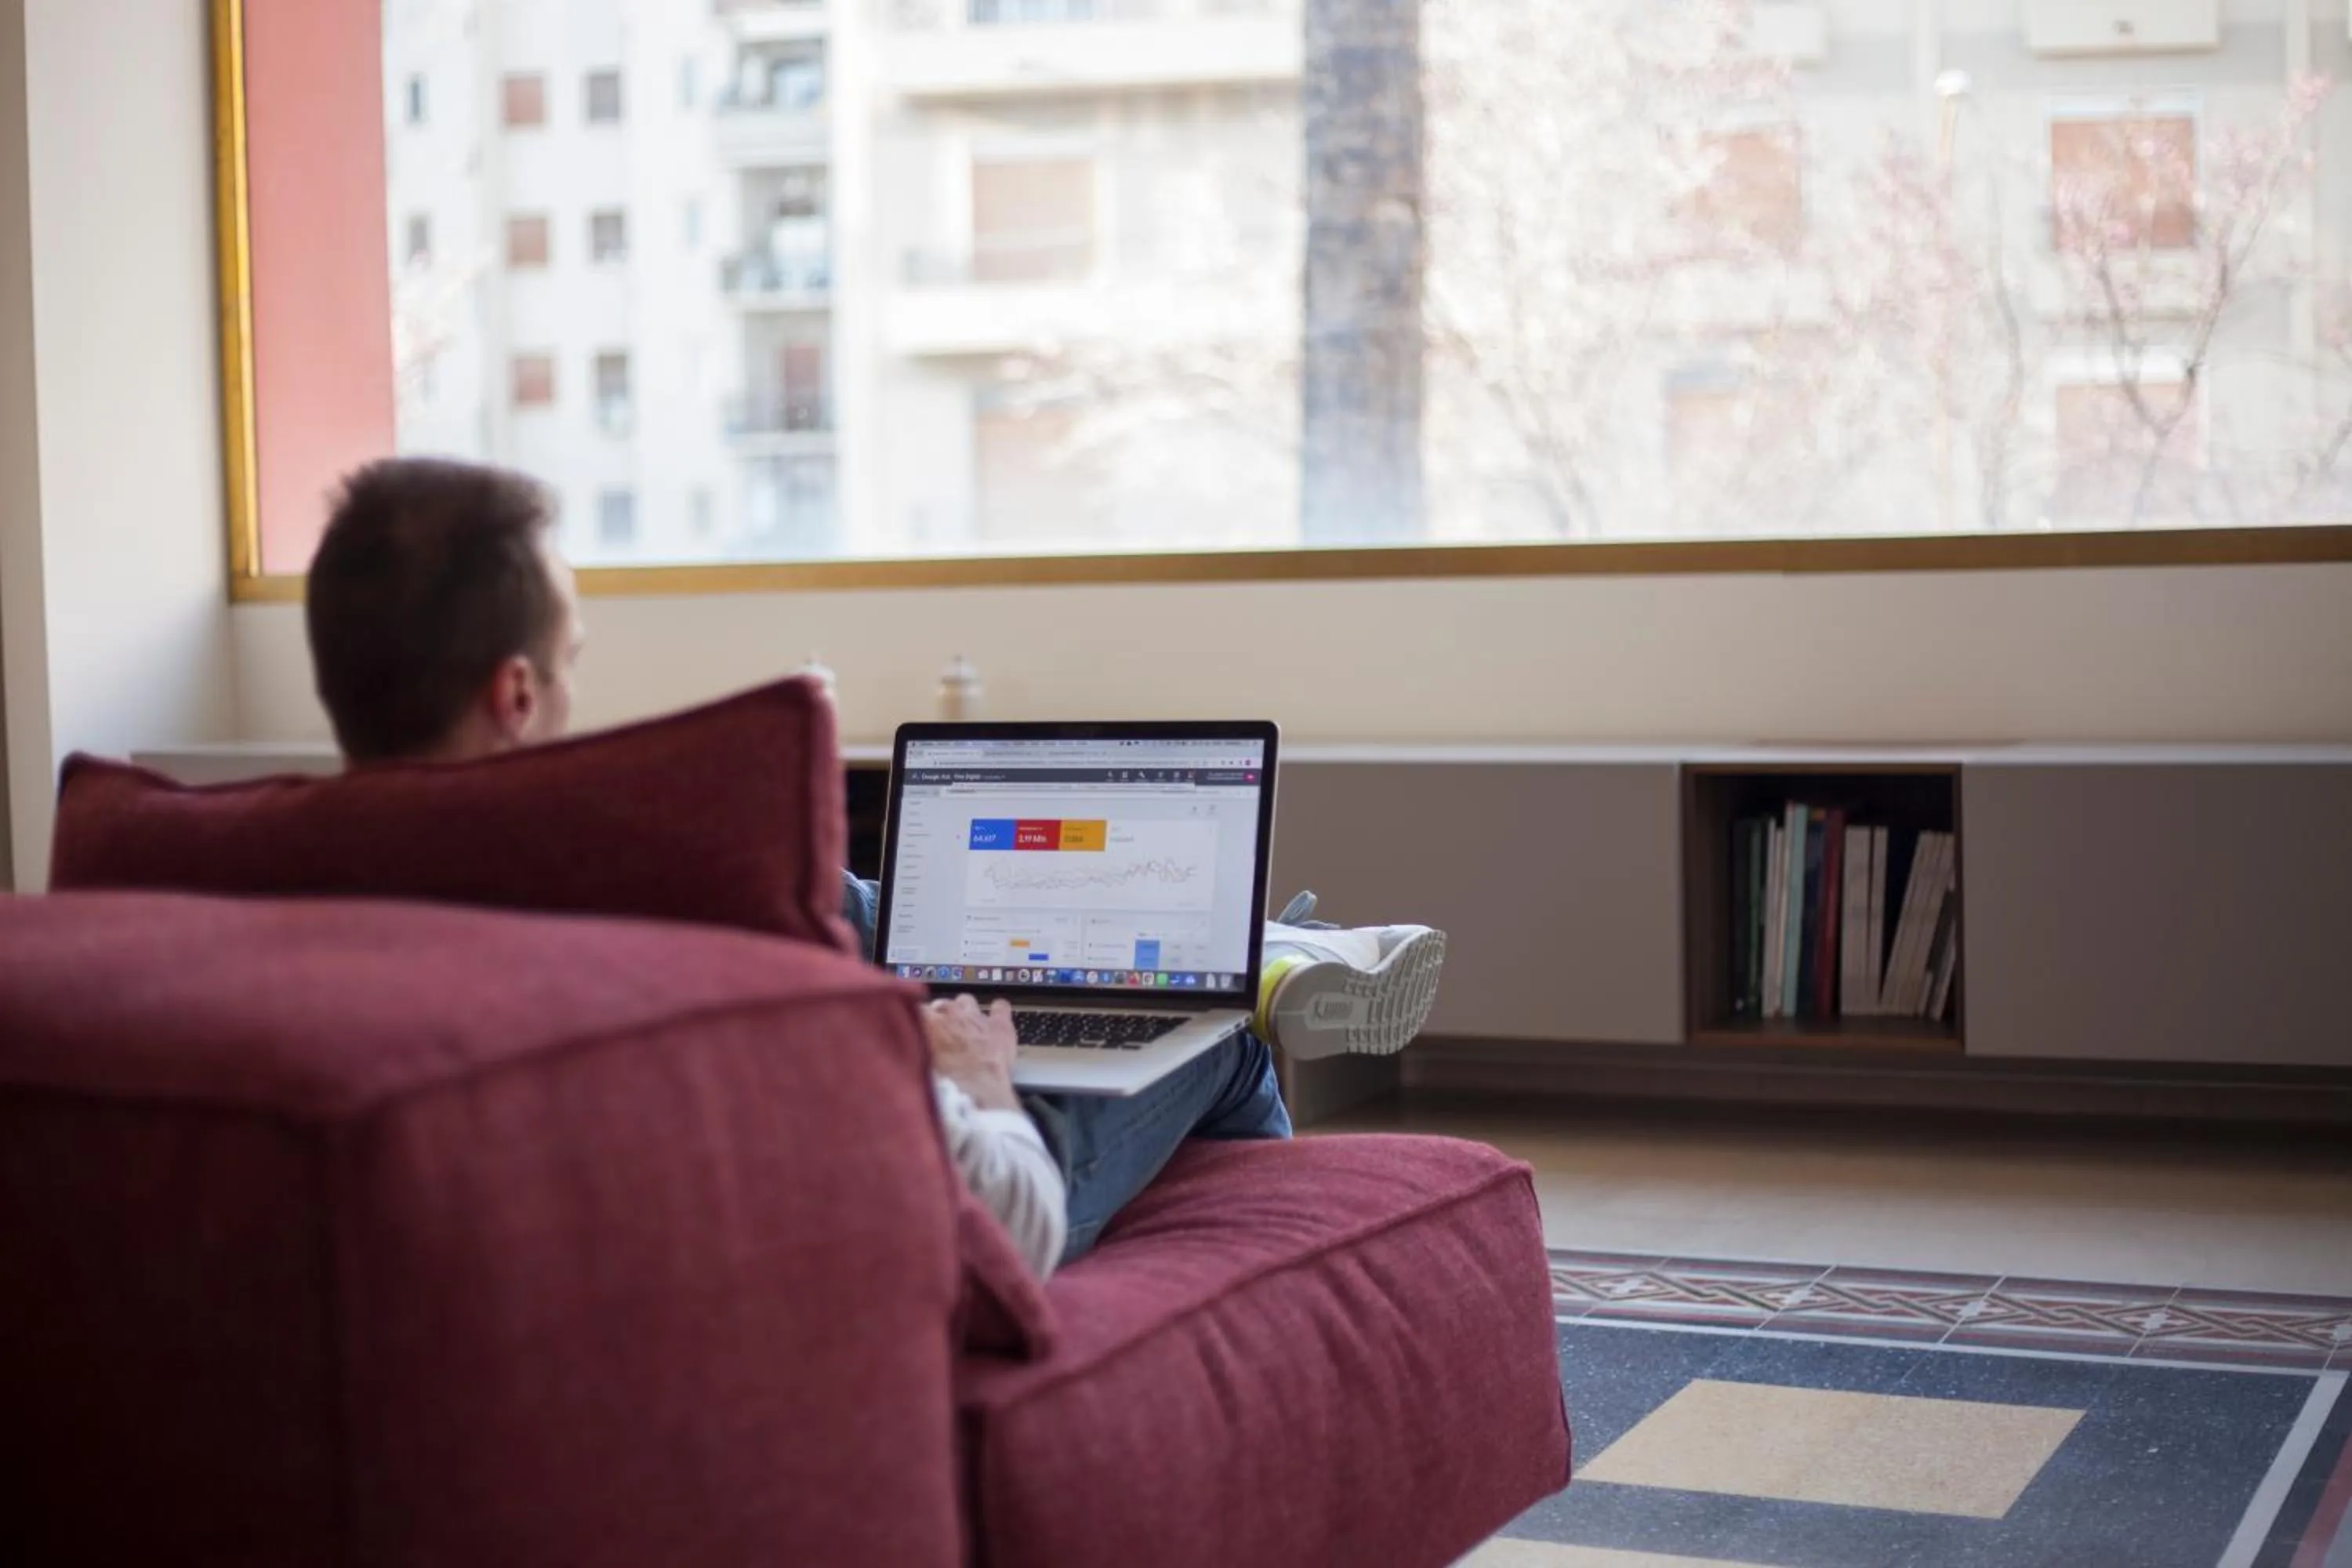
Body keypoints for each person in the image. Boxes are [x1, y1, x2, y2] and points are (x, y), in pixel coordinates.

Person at [304, 458, 1447, 1275]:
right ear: (515, 692)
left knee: (838, 907)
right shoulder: (625, 924)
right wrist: (980, 1085)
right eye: (569, 667)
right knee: (1226, 1036)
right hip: (933, 1205)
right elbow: (993, 1221)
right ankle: (1264, 983)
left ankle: (1260, 960)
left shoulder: (270, 899)